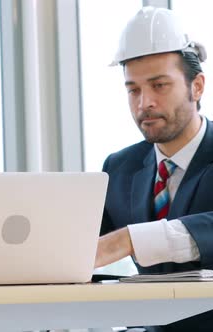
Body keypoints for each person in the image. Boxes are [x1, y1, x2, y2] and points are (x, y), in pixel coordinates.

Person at [94, 6, 213, 332]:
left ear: (197, 87)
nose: (143, 102)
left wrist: (129, 240)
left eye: (159, 85)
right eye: (133, 89)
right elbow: (81, 254)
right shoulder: (119, 168)